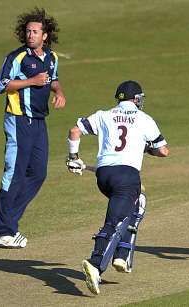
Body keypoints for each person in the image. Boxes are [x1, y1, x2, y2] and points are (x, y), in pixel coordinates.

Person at [66, 80, 169, 295]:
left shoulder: (104, 115)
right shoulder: (144, 119)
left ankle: (122, 254)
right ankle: (95, 265)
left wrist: (73, 157)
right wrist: (145, 149)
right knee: (115, 221)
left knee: (138, 203)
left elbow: (74, 131)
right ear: (137, 99)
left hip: (104, 177)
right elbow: (163, 151)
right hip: (127, 177)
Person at [0, 7, 66, 248]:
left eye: (35, 31)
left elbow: (52, 79)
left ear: (45, 35)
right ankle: (2, 229)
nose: (30, 34)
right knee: (15, 171)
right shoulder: (17, 57)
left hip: (39, 121)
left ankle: (8, 223)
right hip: (19, 119)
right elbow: (3, 85)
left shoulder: (51, 57)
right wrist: (32, 81)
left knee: (38, 172)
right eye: (28, 31)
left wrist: (59, 92)